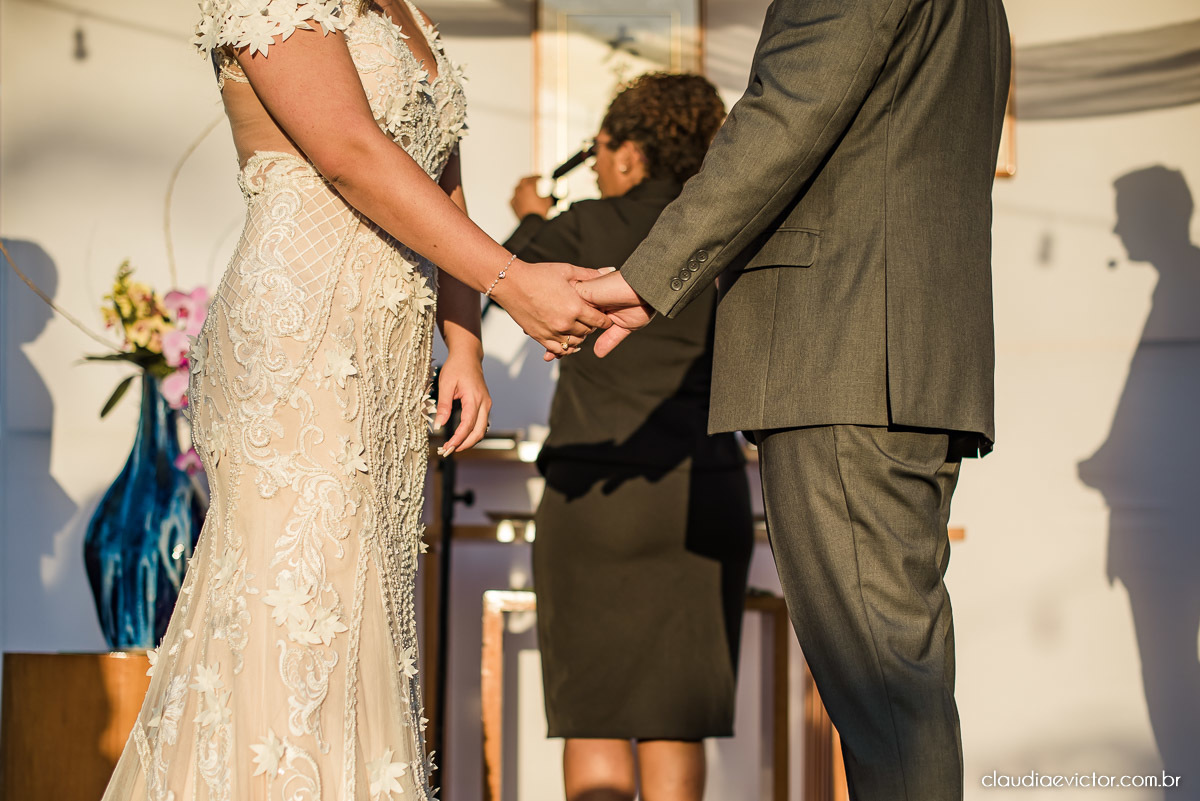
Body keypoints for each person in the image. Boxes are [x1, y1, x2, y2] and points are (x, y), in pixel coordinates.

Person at [101, 1, 608, 798]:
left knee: (370, 613)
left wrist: (465, 345)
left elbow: (444, 187)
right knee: (301, 607)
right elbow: (349, 151)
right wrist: (514, 282)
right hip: (299, 335)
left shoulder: (408, 9)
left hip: (389, 354)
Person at [571, 2, 1012, 799]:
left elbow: (785, 114)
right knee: (898, 686)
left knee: (883, 692)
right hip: (905, 352)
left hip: (842, 347)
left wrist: (649, 274)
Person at [506, 74, 753, 801]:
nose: (597, 169)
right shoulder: (729, 231)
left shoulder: (581, 225)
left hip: (596, 498)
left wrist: (530, 220)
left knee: (596, 714)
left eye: (599, 151)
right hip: (701, 495)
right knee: (678, 720)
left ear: (628, 153)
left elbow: (494, 287)